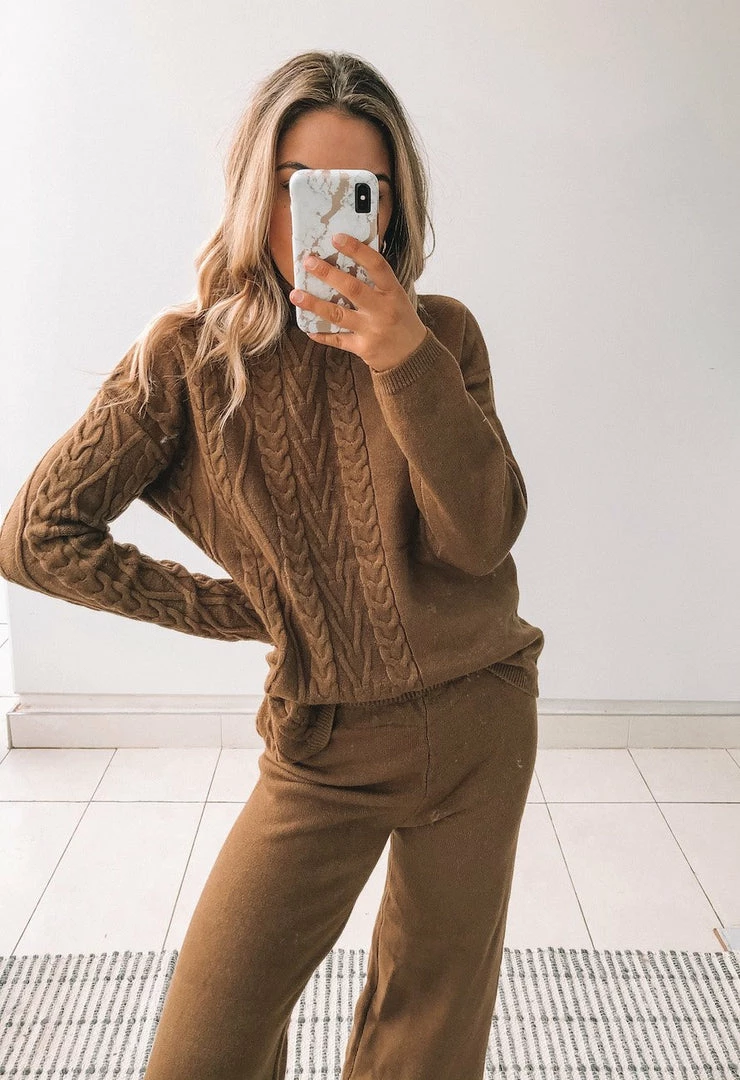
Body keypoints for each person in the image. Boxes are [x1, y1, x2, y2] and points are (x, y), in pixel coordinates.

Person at [0, 49, 545, 1080]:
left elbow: (480, 538)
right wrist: (248, 608)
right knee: (203, 1051)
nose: (327, 217)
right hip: (323, 745)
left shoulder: (443, 338)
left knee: (428, 1045)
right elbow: (36, 536)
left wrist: (402, 359)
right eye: (302, 184)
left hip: (482, 722)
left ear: (389, 203)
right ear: (261, 190)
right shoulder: (188, 360)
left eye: (359, 189)